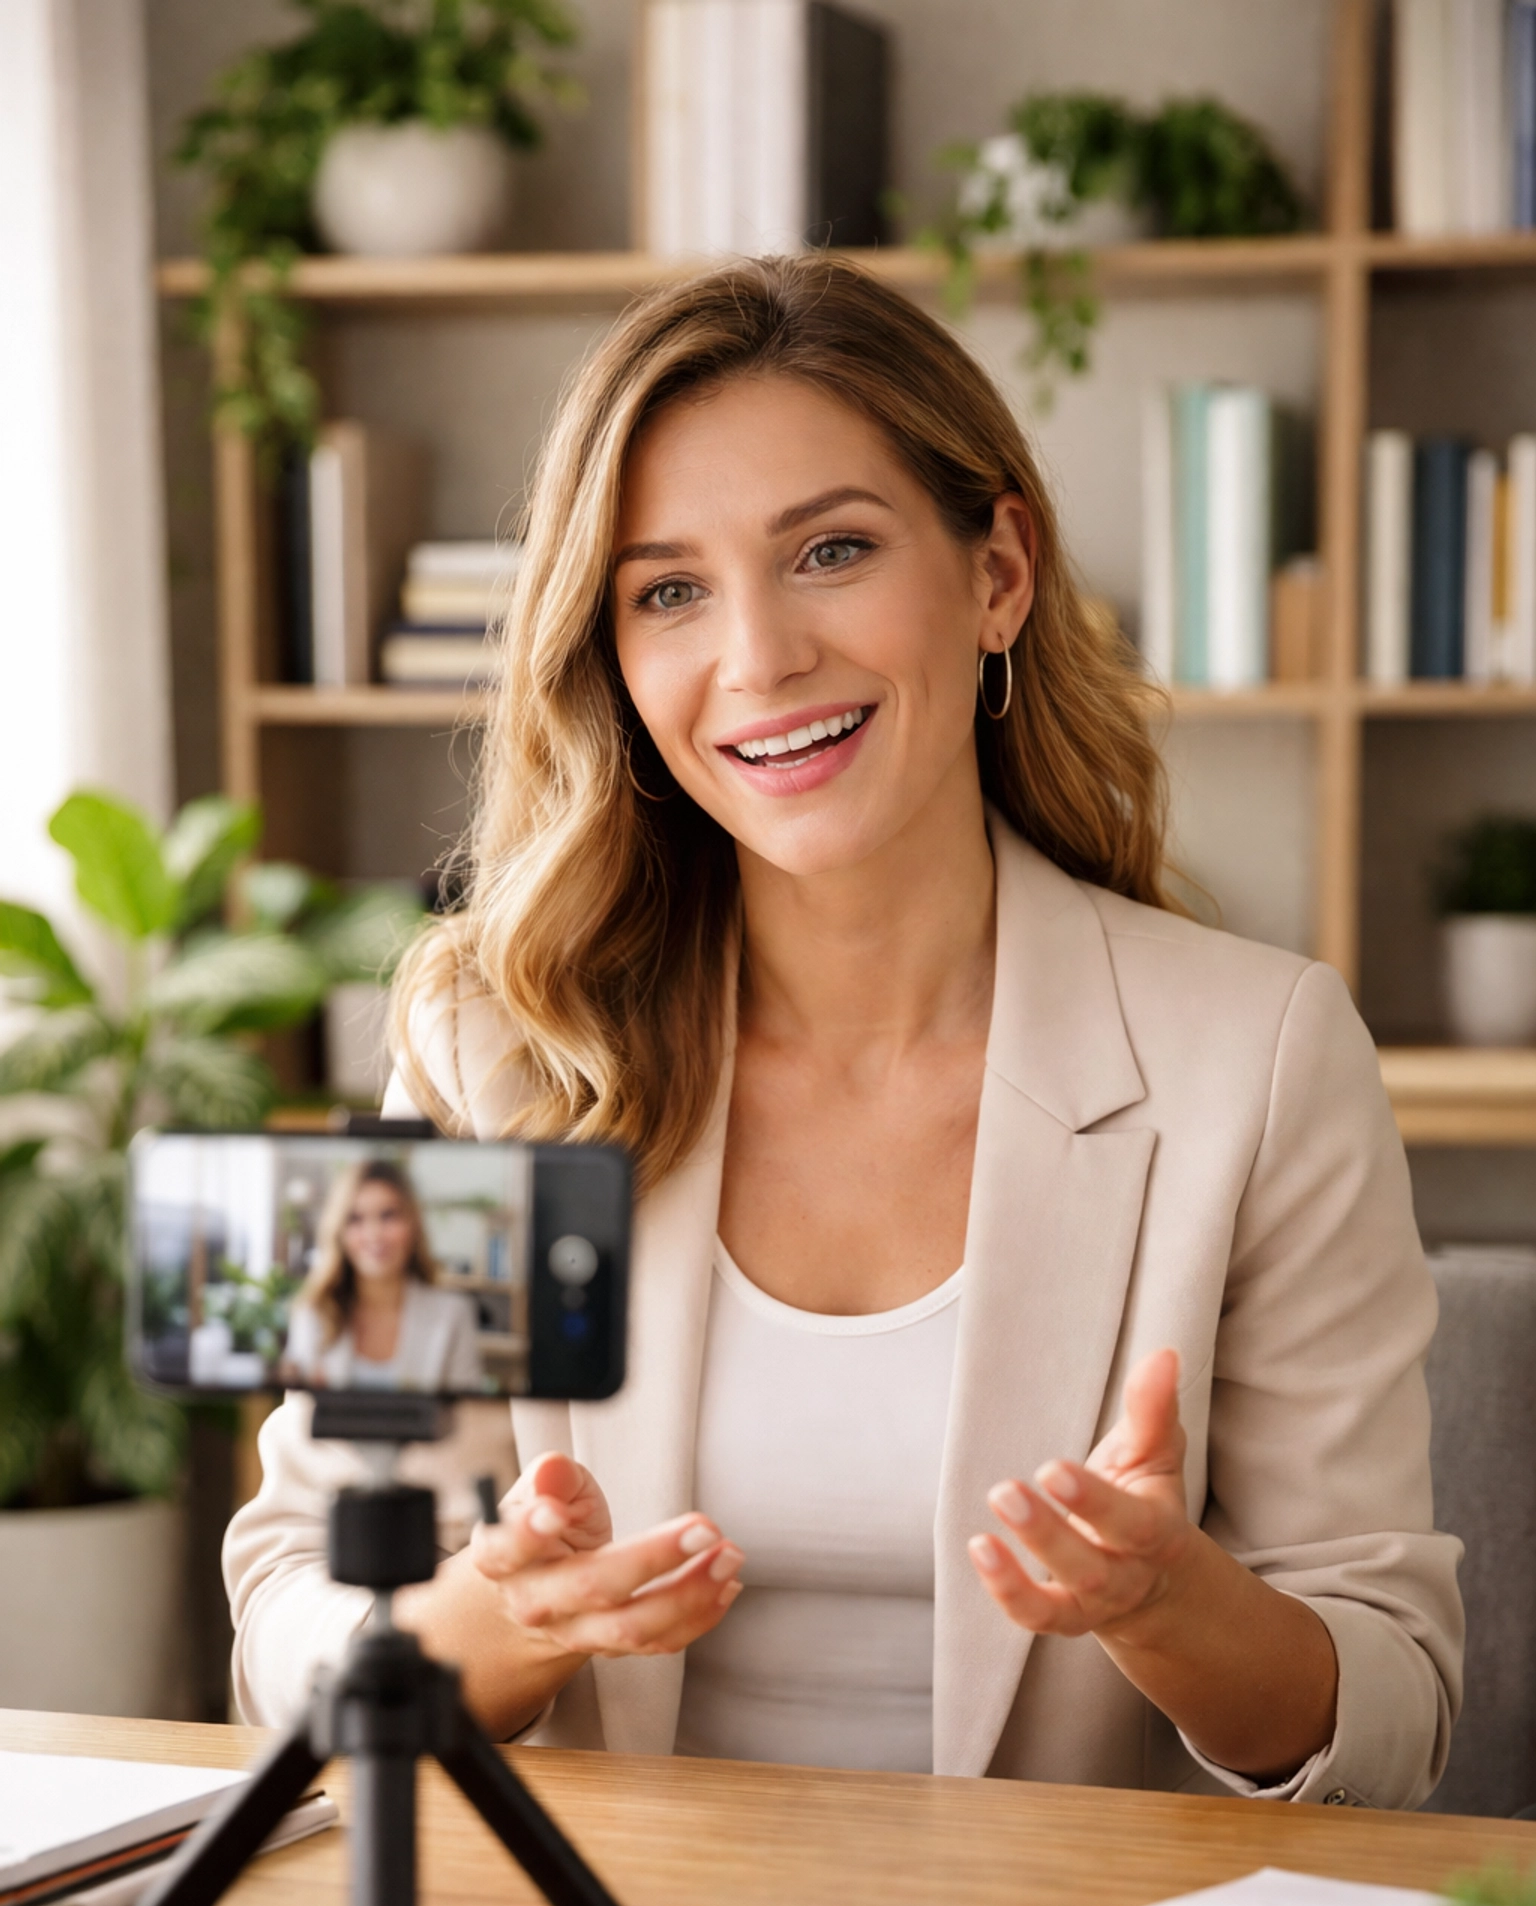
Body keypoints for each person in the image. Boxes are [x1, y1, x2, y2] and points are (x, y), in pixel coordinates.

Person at [227, 255, 1461, 1805]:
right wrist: (503, 1623)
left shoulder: (1258, 1060)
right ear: (613, 656)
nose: (758, 657)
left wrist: (1168, 1604)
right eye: (668, 589)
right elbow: (289, 1611)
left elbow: (1399, 1708)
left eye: (831, 551)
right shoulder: (498, 1052)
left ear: (999, 570)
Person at [280, 1159, 486, 1396]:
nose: (374, 1234)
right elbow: (297, 1416)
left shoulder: (453, 1314)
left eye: (388, 1216)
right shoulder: (314, 1312)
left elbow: (468, 1415)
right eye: (355, 1219)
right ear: (339, 1232)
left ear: (413, 1225)